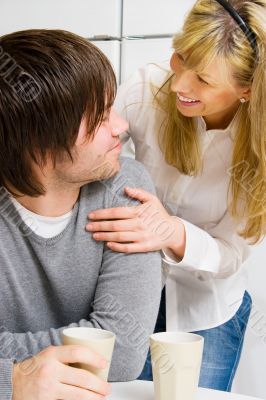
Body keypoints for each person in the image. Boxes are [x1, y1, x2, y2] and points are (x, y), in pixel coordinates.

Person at [85, 0, 266, 391]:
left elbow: (232, 252)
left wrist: (172, 233)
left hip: (205, 312)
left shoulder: (259, 152)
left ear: (247, 90)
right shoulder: (146, 89)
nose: (180, 84)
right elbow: (92, 151)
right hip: (121, 295)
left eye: (203, 79)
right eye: (181, 57)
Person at [0, 29, 162, 400]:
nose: (121, 127)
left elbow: (122, 352)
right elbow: (105, 347)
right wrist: (14, 381)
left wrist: (14, 368)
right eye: (101, 117)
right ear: (40, 144)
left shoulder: (128, 187)